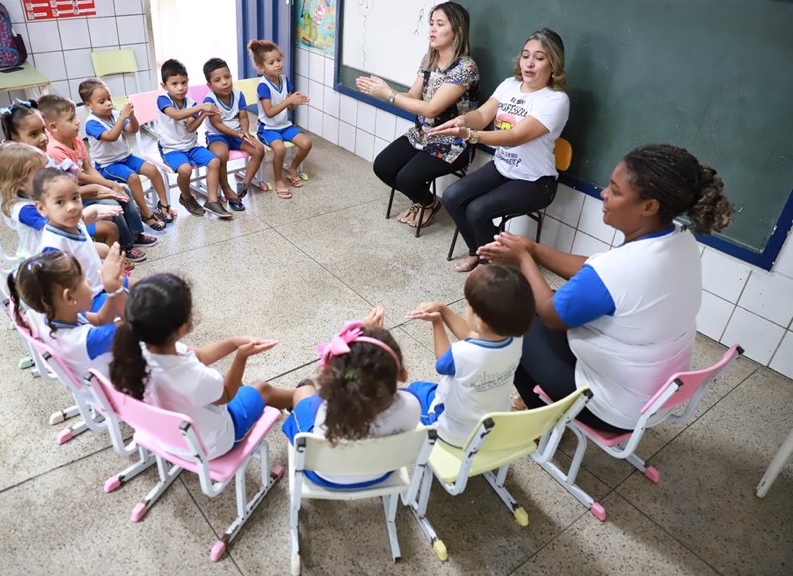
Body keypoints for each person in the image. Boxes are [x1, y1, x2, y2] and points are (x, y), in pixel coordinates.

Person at [480, 144, 734, 432]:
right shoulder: (680, 240)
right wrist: (533, 249)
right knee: (537, 305)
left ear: (649, 206)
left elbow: (552, 315)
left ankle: (539, 423)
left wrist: (523, 259)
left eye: (615, 191)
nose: (603, 194)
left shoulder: (623, 268)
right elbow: (597, 268)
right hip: (656, 393)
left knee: (513, 317)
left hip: (612, 409)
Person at [109, 273, 306, 460]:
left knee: (222, 379)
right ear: (181, 327)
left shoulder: (138, 349)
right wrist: (241, 357)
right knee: (263, 388)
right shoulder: (194, 377)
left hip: (166, 439)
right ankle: (301, 398)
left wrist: (234, 341)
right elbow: (228, 393)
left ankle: (269, 402)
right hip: (213, 443)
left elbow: (201, 355)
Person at [434, 28, 569, 272]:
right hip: (503, 168)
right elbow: (483, 114)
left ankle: (491, 266)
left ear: (553, 63)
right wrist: (463, 121)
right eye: (526, 55)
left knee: (477, 210)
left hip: (535, 180)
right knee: (452, 196)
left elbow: (515, 137)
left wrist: (471, 135)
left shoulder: (555, 100)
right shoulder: (509, 85)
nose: (529, 63)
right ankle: (482, 253)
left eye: (539, 58)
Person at [357, 1, 479, 229]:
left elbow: (432, 108)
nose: (432, 29)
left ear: (458, 30)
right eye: (431, 23)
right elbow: (414, 95)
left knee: (407, 178)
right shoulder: (429, 60)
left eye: (440, 24)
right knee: (382, 166)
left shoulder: (465, 68)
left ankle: (425, 203)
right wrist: (383, 92)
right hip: (423, 135)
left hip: (452, 143)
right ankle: (426, 201)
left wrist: (390, 95)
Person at [282, 307, 421, 487]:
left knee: (303, 391)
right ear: (402, 374)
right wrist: (373, 341)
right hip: (380, 473)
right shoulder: (412, 405)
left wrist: (362, 335)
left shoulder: (324, 406)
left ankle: (302, 388)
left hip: (323, 475)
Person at [404, 264, 535, 447]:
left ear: (480, 320)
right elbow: (472, 335)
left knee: (414, 390)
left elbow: (442, 362)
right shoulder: (516, 339)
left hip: (454, 432)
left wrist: (437, 323)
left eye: (468, 305)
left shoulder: (463, 353)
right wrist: (442, 308)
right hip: (492, 427)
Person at [38, 93, 157, 262]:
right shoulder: (55, 150)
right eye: (71, 119)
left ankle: (136, 234)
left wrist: (110, 185)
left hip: (85, 187)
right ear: (54, 127)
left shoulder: (75, 138)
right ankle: (125, 245)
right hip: (74, 195)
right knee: (113, 202)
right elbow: (79, 176)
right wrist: (108, 185)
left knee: (124, 190)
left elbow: (88, 168)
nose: (78, 121)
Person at [0, 100, 122, 255]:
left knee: (108, 230)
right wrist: (91, 210)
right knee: (105, 240)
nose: (44, 138)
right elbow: (58, 228)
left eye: (43, 130)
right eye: (33, 134)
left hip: (64, 240)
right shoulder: (23, 208)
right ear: (18, 182)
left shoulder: (41, 159)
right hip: (52, 259)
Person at [7, 246, 126, 379]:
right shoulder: (86, 340)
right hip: (122, 389)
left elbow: (100, 320)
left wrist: (112, 293)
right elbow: (139, 325)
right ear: (69, 297)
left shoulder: (53, 315)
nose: (90, 281)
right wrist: (115, 288)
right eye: (83, 279)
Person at [79, 78, 177, 228]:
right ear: (88, 105)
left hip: (126, 157)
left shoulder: (115, 114)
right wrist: (123, 117)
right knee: (133, 178)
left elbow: (133, 129)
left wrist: (131, 117)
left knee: (152, 169)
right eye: (102, 101)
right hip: (108, 165)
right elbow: (111, 137)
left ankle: (164, 206)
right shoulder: (92, 123)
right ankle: (146, 213)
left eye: (109, 98)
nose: (108, 103)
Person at [34, 168, 133, 313]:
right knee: (139, 310)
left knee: (146, 288)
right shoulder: (53, 247)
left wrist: (104, 266)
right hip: (89, 301)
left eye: (75, 198)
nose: (72, 207)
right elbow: (60, 294)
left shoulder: (74, 223)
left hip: (101, 283)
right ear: (42, 208)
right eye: (60, 202)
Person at [155, 59, 241, 218]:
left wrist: (204, 114)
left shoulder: (190, 102)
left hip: (191, 146)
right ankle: (186, 197)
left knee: (214, 161)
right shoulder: (163, 99)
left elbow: (190, 127)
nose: (180, 88)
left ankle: (212, 201)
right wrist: (202, 107)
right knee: (185, 169)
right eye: (174, 84)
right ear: (164, 86)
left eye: (184, 82)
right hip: (171, 149)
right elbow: (175, 114)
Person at [249, 39, 313, 199]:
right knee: (280, 149)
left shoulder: (284, 80)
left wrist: (295, 101)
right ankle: (278, 180)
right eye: (272, 62)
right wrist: (289, 101)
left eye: (279, 60)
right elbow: (269, 112)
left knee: (306, 143)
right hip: (268, 128)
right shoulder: (263, 86)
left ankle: (292, 169)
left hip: (285, 126)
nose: (277, 64)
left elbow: (289, 106)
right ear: (262, 68)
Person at [202, 57, 266, 200]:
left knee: (259, 149)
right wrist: (237, 134)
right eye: (217, 80)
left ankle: (244, 185)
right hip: (217, 136)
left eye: (227, 77)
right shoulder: (210, 100)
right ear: (210, 85)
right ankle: (226, 188)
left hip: (238, 134)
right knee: (221, 155)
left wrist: (245, 131)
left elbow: (243, 116)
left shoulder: (238, 94)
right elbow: (218, 125)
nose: (224, 82)